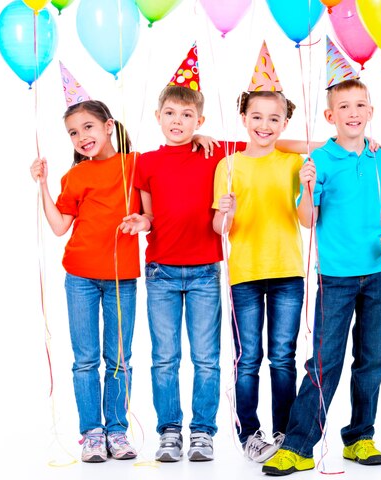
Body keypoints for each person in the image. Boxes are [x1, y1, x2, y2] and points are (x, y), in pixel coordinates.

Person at [261, 75, 381, 476]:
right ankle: (299, 445)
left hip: (379, 274)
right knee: (324, 362)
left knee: (373, 360)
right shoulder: (318, 161)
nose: (353, 113)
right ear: (329, 115)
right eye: (344, 107)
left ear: (371, 113)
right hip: (336, 278)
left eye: (360, 106)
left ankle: (360, 437)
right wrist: (306, 189)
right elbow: (308, 221)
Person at [120, 83, 242, 462]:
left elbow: (262, 141)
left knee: (206, 357)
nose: (178, 121)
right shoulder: (146, 162)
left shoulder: (212, 151)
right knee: (165, 357)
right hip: (162, 273)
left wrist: (322, 145)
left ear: (199, 120)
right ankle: (170, 431)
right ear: (158, 117)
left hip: (206, 271)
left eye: (187, 115)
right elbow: (151, 215)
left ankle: (203, 432)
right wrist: (142, 222)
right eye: (170, 113)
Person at [30, 99, 140, 463]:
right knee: (85, 360)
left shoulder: (135, 165)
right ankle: (92, 432)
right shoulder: (75, 176)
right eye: (74, 133)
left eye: (88, 127)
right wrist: (43, 185)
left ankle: (118, 430)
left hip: (122, 277)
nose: (81, 137)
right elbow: (61, 225)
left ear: (109, 126)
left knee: (120, 358)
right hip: (80, 277)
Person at [212, 86, 305, 463]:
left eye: (274, 118)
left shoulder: (293, 163)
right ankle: (249, 433)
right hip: (245, 272)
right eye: (257, 117)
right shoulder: (229, 165)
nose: (264, 125)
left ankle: (284, 428)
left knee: (283, 356)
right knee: (247, 357)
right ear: (244, 119)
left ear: (285, 123)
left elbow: (328, 142)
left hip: (287, 270)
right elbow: (219, 227)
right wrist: (226, 210)